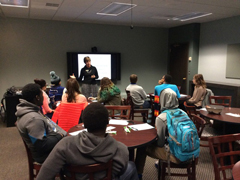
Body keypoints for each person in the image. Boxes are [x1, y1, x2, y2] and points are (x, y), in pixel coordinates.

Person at [36, 102, 138, 180]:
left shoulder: (65, 145)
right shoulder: (121, 149)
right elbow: (120, 172)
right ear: (107, 122)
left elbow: (43, 177)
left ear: (83, 123)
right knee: (132, 166)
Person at [135, 88, 181, 178]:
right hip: (191, 153)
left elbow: (160, 143)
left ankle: (137, 174)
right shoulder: (183, 113)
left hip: (176, 155)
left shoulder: (162, 117)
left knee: (142, 147)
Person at [16, 83, 65, 163]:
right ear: (37, 97)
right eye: (42, 95)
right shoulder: (33, 119)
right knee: (77, 151)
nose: (44, 97)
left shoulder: (26, 110)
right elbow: (42, 145)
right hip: (45, 155)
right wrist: (60, 135)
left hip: (45, 149)